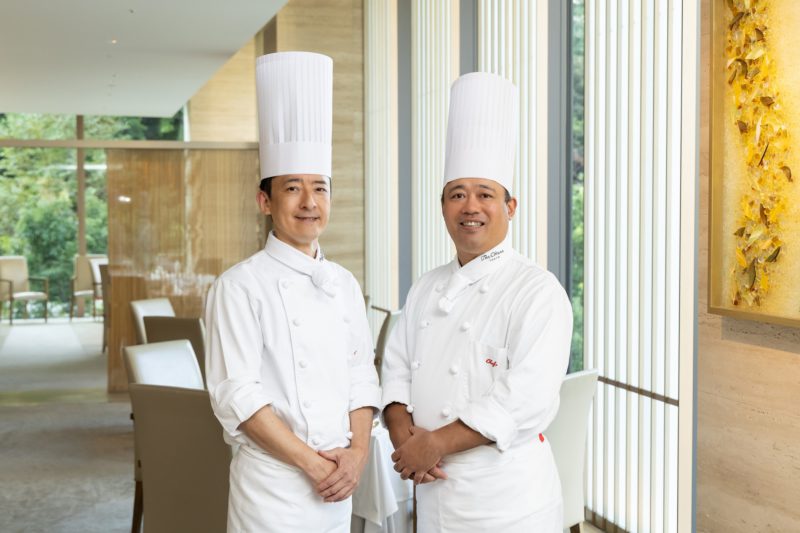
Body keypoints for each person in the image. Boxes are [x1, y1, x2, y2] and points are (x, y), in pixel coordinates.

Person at [381, 72, 573, 532]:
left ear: (511, 207)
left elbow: (526, 398)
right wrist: (403, 433)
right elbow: (397, 368)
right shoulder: (425, 286)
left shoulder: (537, 291)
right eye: (457, 195)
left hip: (508, 501)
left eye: (485, 194)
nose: (470, 206)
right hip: (435, 494)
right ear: (443, 207)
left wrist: (435, 443)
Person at [205, 51, 380, 532]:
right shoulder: (238, 286)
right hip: (273, 490)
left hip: (337, 484)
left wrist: (357, 455)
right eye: (292, 188)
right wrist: (312, 464)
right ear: (264, 201)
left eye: (320, 188)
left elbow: (361, 376)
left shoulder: (343, 282)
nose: (309, 202)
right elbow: (237, 395)